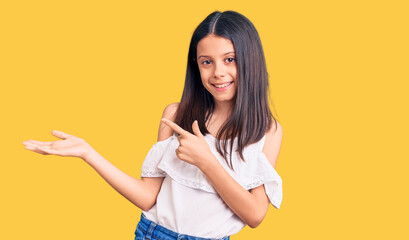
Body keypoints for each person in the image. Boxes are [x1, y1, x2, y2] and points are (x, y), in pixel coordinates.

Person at [22, 10, 283, 240]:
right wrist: (88, 153)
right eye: (206, 62)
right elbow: (148, 196)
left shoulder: (266, 131)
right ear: (196, 66)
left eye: (230, 59)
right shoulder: (176, 114)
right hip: (153, 234)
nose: (217, 72)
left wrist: (206, 161)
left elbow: (255, 215)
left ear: (250, 60)